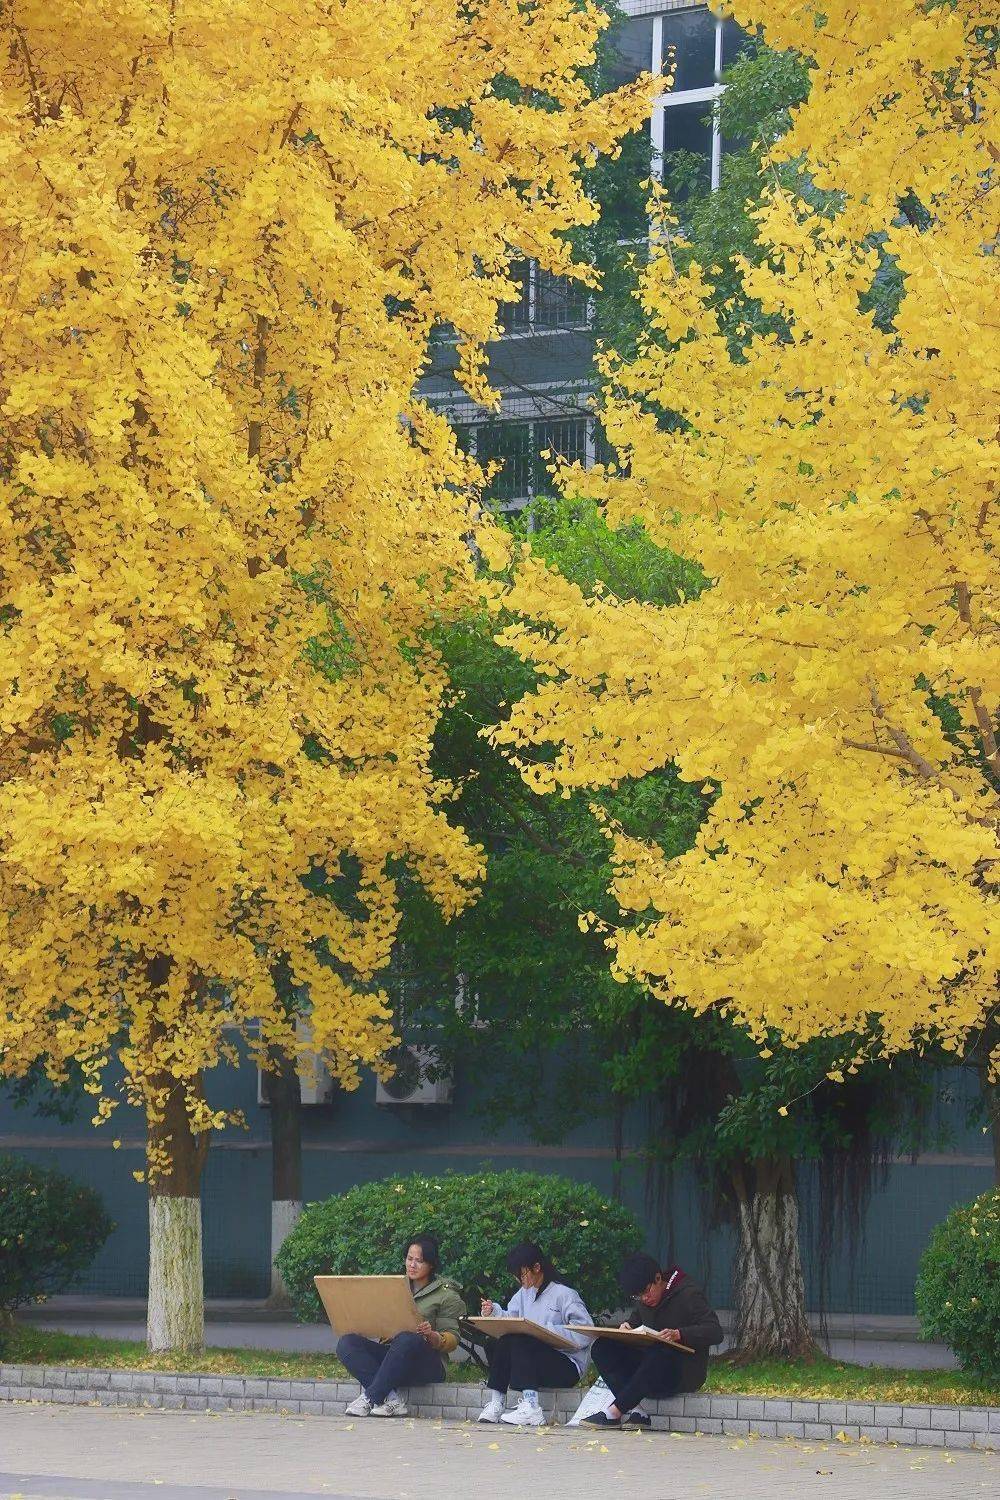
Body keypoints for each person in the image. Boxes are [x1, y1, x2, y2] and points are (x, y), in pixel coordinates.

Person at [584, 1250, 723, 1430]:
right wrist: (626, 1328)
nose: (644, 1299)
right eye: (637, 1296)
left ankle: (614, 1413)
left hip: (681, 1371)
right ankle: (637, 1412)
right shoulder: (644, 1301)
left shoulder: (688, 1294)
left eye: (646, 1292)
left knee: (661, 1352)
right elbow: (635, 1322)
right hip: (649, 1369)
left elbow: (715, 1331)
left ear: (658, 1278)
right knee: (602, 1348)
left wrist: (679, 1334)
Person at [336, 1234, 465, 1418]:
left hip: (427, 1364)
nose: (412, 1265)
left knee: (407, 1338)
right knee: (346, 1343)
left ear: (431, 1264)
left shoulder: (446, 1295)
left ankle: (371, 1398)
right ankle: (391, 1399)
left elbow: (453, 1340)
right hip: (393, 1358)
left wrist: (432, 1335)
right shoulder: (395, 1287)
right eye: (409, 1259)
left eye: (419, 1261)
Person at [476, 1240, 592, 1427]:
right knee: (507, 1339)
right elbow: (511, 1319)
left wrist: (545, 1331)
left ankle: (531, 1407)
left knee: (524, 1340)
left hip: (567, 1365)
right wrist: (494, 1312)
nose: (520, 1281)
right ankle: (497, 1402)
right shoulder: (523, 1293)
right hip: (534, 1361)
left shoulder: (565, 1294)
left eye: (522, 1274)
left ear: (537, 1267)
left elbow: (585, 1332)